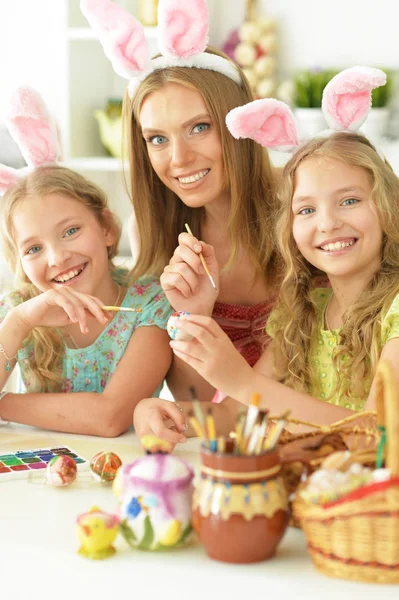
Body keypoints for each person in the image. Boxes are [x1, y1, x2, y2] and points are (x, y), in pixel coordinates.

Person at [149, 67, 399, 430]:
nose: (327, 223)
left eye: (349, 201)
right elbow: (233, 415)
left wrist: (243, 382)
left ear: (387, 206)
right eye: (307, 210)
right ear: (290, 230)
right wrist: (163, 415)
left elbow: (379, 434)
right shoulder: (303, 312)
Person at [81, 0, 281, 439]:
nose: (179, 159)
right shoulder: (157, 233)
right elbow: (194, 401)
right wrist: (196, 316)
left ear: (237, 122)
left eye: (199, 127)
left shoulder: (301, 207)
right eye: (157, 138)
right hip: (229, 445)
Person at [0, 87, 173, 437]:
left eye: (71, 231)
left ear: (107, 228)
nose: (57, 257)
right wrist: (19, 323)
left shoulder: (151, 304)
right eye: (34, 249)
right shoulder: (20, 308)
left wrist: (3, 405)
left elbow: (110, 418)